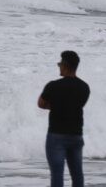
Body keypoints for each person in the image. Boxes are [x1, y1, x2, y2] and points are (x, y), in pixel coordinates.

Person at [38, 50, 90, 187]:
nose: (59, 66)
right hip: (76, 136)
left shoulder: (53, 86)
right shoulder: (84, 87)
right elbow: (79, 105)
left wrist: (56, 106)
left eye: (60, 63)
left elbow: (41, 104)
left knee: (57, 174)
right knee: (77, 174)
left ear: (65, 66)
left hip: (56, 136)